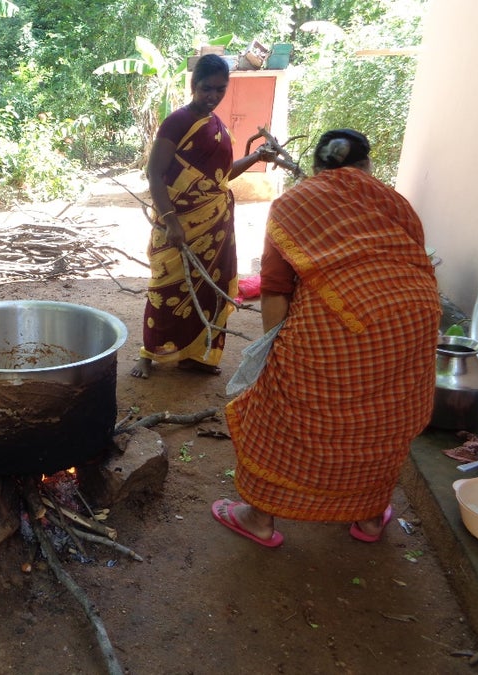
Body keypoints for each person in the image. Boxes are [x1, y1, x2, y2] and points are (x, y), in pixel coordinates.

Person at [212, 128, 440, 547]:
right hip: (415, 323)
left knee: (279, 412)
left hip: (336, 329)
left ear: (316, 170)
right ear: (366, 166)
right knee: (384, 420)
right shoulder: (392, 201)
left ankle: (259, 517)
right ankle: (371, 518)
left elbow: (277, 287)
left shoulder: (296, 202)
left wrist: (272, 354)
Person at [130, 53, 272, 380]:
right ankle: (149, 355)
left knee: (209, 288)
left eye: (220, 90)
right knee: (166, 287)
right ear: (194, 85)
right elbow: (155, 174)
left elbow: (220, 179)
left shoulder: (217, 127)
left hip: (215, 227)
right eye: (207, 88)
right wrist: (171, 221)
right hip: (177, 223)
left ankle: (196, 354)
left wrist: (256, 156)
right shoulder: (177, 122)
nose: (213, 96)